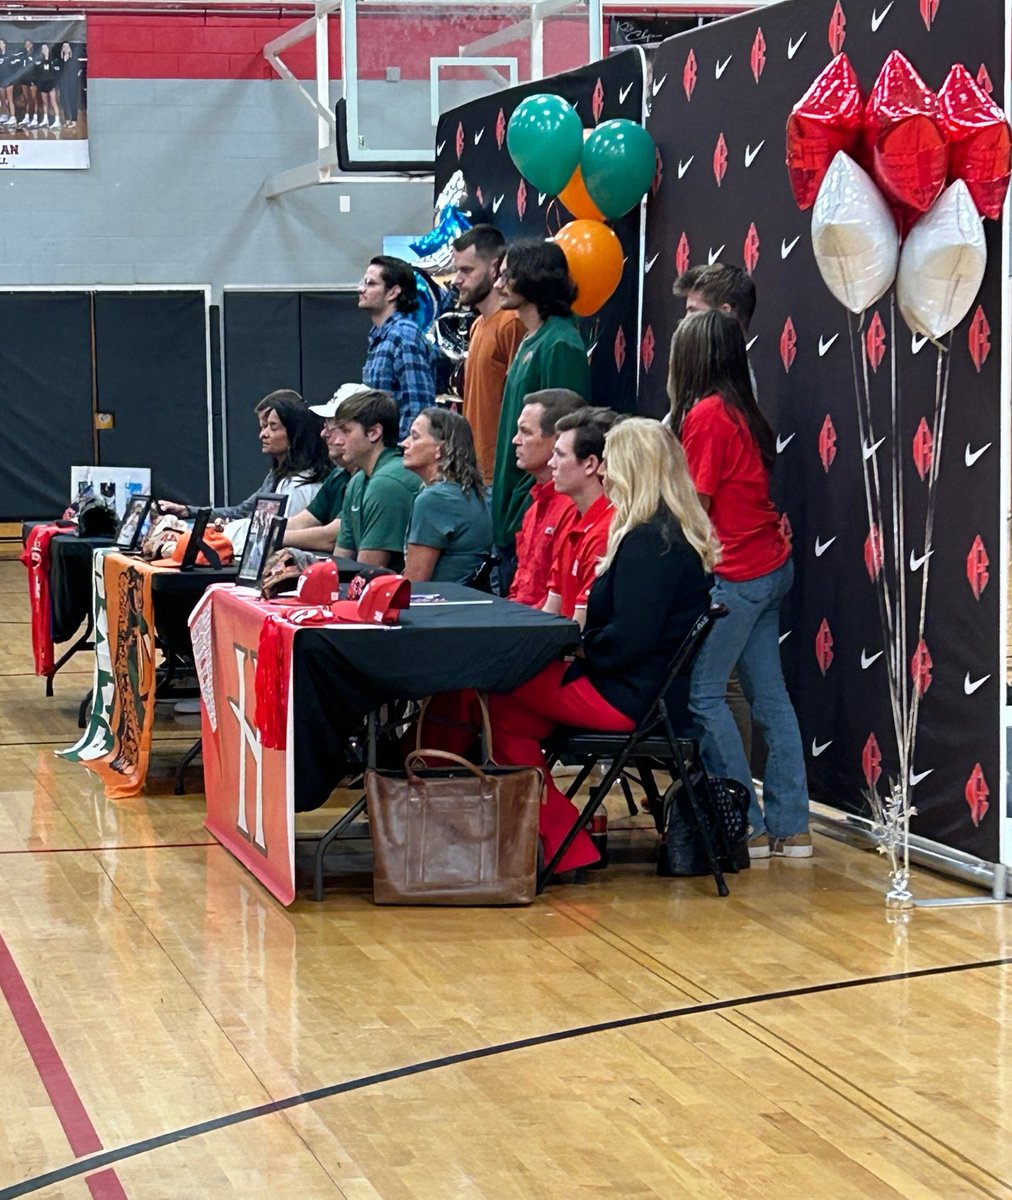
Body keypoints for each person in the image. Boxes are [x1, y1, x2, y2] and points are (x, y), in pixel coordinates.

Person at [490, 417, 717, 875]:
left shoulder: (650, 542)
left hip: (625, 696)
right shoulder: (662, 534)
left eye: (611, 463)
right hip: (636, 689)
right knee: (504, 713)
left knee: (491, 693)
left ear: (633, 469)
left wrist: (578, 647)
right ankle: (561, 841)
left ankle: (558, 840)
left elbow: (629, 641)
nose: (606, 473)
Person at [669, 309, 812, 859]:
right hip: (768, 565)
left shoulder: (706, 415)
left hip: (737, 573)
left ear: (692, 358)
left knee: (704, 696)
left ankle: (743, 825)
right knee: (770, 697)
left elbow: (697, 505)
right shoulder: (741, 409)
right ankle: (791, 827)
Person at [489, 240, 591, 594]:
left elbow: (567, 432)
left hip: (534, 512)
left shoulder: (560, 343)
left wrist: (528, 501)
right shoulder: (531, 339)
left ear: (534, 278)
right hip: (513, 509)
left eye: (507, 276)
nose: (498, 284)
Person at [158, 389, 328, 522]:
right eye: (263, 426)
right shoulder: (278, 474)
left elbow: (269, 532)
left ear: (294, 433)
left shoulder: (299, 485)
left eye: (272, 427)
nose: (262, 434)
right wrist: (188, 512)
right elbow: (244, 512)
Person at [451, 225, 525, 481]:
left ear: (494, 268)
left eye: (466, 270)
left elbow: (522, 402)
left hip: (501, 472)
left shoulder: (512, 323)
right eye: (457, 270)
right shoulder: (477, 325)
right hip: (476, 471)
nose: (456, 280)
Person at [508, 389, 585, 609]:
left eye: (525, 432)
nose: (515, 440)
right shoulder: (534, 507)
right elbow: (520, 589)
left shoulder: (573, 507)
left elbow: (559, 598)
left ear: (557, 439)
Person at [400, 407, 492, 583]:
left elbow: (415, 584)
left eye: (415, 436)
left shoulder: (434, 500)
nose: (404, 443)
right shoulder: (471, 492)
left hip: (442, 599)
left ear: (440, 449)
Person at [543, 408, 617, 628]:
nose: (551, 463)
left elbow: (580, 629)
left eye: (560, 454)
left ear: (590, 464)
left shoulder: (605, 531)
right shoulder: (572, 518)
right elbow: (550, 611)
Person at [333, 388, 421, 569]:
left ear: (374, 432)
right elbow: (341, 562)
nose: (337, 441)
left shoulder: (386, 484)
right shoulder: (357, 481)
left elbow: (368, 571)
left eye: (346, 431)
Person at [282, 383, 365, 554]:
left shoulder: (372, 479)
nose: (324, 433)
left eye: (334, 425)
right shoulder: (339, 475)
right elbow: (302, 521)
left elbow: (331, 538)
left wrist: (270, 536)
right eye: (326, 424)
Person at [360, 256, 435, 440]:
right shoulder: (381, 336)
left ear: (393, 292)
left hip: (399, 451)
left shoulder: (403, 335)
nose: (361, 289)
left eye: (371, 283)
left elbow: (419, 407)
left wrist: (404, 450)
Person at [35, 44, 60, 129]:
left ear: (49, 49)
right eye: (43, 48)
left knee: (53, 102)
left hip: (51, 83)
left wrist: (54, 83)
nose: (44, 50)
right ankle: (45, 120)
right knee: (45, 103)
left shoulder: (53, 60)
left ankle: (57, 120)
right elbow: (38, 73)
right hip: (43, 83)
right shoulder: (40, 61)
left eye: (46, 48)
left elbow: (56, 73)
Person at [57, 43, 81, 129]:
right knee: (65, 101)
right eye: (64, 46)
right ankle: (67, 120)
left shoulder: (74, 59)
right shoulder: (60, 61)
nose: (65, 48)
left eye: (67, 46)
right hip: (63, 84)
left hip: (73, 84)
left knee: (73, 101)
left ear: (70, 48)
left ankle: (74, 121)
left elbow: (78, 72)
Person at [0, 40, 15, 127]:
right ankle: (4, 114)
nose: (0, 45)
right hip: (1, 79)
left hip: (8, 80)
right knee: (2, 99)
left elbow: (13, 68)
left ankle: (13, 117)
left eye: (2, 43)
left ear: (5, 44)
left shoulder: (9, 55)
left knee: (10, 99)